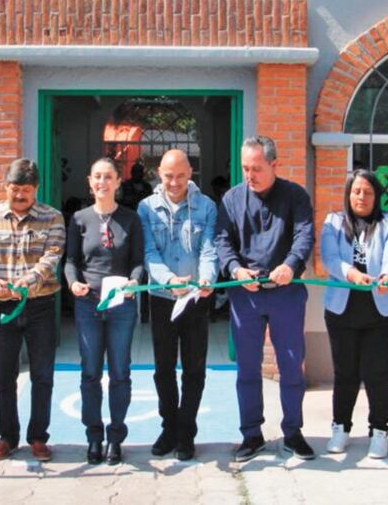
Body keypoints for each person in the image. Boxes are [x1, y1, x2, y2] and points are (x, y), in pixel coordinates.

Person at [215, 136, 315, 462]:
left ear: (274, 164)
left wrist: (290, 264)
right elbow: (222, 241)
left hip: (286, 293)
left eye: (256, 168)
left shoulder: (295, 196)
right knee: (247, 368)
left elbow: (304, 235)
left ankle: (293, 432)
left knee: (291, 366)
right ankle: (251, 434)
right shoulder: (231, 199)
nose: (250, 175)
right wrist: (234, 269)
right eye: (245, 168)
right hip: (246, 297)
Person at [0, 159, 65, 463]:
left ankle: (38, 437)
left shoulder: (52, 218)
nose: (20, 195)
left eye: (26, 190)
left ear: (35, 189)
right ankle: (7, 437)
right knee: (4, 375)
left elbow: (52, 256)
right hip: (4, 306)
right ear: (6, 187)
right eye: (15, 189)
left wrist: (28, 281)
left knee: (42, 374)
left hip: (40, 305)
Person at [138, 149, 218, 461]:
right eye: (169, 175)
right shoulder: (146, 208)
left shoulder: (207, 207)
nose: (174, 182)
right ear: (159, 173)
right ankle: (168, 427)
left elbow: (209, 249)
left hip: (196, 299)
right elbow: (148, 253)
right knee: (163, 369)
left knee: (195, 370)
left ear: (190, 174)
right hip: (162, 299)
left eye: (181, 175)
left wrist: (208, 278)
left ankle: (186, 432)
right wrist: (169, 280)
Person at [320, 170, 388, 459]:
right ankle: (340, 428)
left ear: (376, 196)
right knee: (345, 372)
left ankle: (379, 431)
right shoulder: (333, 223)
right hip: (342, 310)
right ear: (348, 193)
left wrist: (386, 276)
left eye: (368, 192)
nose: (361, 197)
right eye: (356, 191)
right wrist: (351, 274)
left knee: (377, 373)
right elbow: (329, 258)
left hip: (383, 311)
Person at [65, 157, 145, 466]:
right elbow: (71, 260)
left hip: (121, 305)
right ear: (90, 181)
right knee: (90, 373)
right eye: (97, 176)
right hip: (88, 304)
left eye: (108, 176)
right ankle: (94, 437)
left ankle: (115, 438)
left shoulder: (131, 219)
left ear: (117, 181)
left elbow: (138, 261)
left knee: (120, 373)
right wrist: (73, 283)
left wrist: (135, 281)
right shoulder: (79, 219)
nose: (102, 182)